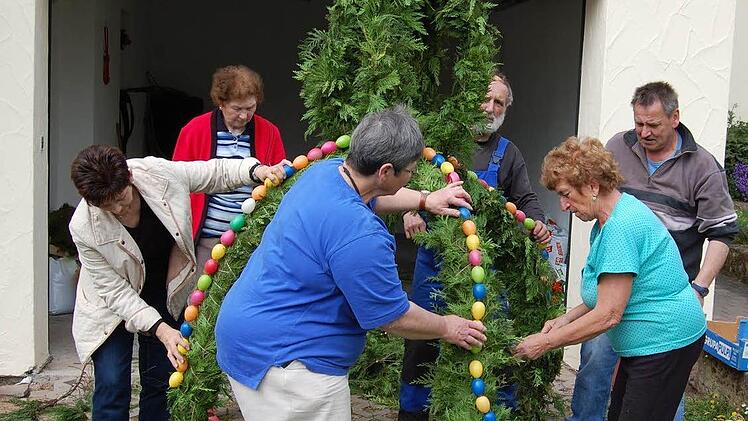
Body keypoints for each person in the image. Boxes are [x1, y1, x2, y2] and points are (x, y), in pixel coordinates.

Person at [214, 106, 488, 421]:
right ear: (386, 171)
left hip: (248, 333)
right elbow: (392, 316)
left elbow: (368, 197)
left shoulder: (325, 172)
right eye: (410, 171)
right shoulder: (362, 237)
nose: (412, 176)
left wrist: (425, 200)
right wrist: (447, 326)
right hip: (289, 366)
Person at [69, 144, 287, 421]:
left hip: (164, 288)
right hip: (111, 304)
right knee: (112, 382)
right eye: (107, 205)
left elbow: (212, 172)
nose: (118, 208)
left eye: (121, 198)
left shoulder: (157, 173)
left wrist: (255, 170)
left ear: (130, 178)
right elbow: (114, 291)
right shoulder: (83, 227)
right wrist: (161, 330)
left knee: (161, 378)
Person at [566, 82, 739, 421]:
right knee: (596, 361)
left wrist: (699, 288)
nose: (643, 132)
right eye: (638, 123)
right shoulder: (619, 146)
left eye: (653, 125)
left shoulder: (703, 167)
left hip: (661, 297)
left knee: (659, 385)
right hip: (616, 284)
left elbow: (722, 235)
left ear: (675, 118)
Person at [513, 136, 707, 421]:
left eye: (566, 194)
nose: (563, 205)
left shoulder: (621, 228)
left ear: (593, 185)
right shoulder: (607, 221)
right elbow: (607, 295)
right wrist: (566, 319)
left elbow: (608, 314)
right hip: (647, 344)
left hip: (666, 342)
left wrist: (546, 343)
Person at [398, 73, 551, 420]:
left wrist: (538, 221)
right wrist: (411, 209)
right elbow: (408, 181)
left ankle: (497, 410)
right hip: (435, 260)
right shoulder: (439, 143)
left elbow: (525, 198)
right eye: (485, 99)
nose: (490, 107)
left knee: (492, 338)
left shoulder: (508, 154)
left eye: (499, 102)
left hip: (486, 264)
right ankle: (412, 412)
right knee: (422, 337)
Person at [172, 64, 286, 275]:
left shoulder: (269, 132)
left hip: (250, 241)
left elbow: (279, 185)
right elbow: (176, 181)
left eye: (250, 108)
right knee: (199, 301)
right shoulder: (193, 130)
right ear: (221, 103)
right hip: (205, 240)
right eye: (237, 109)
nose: (244, 116)